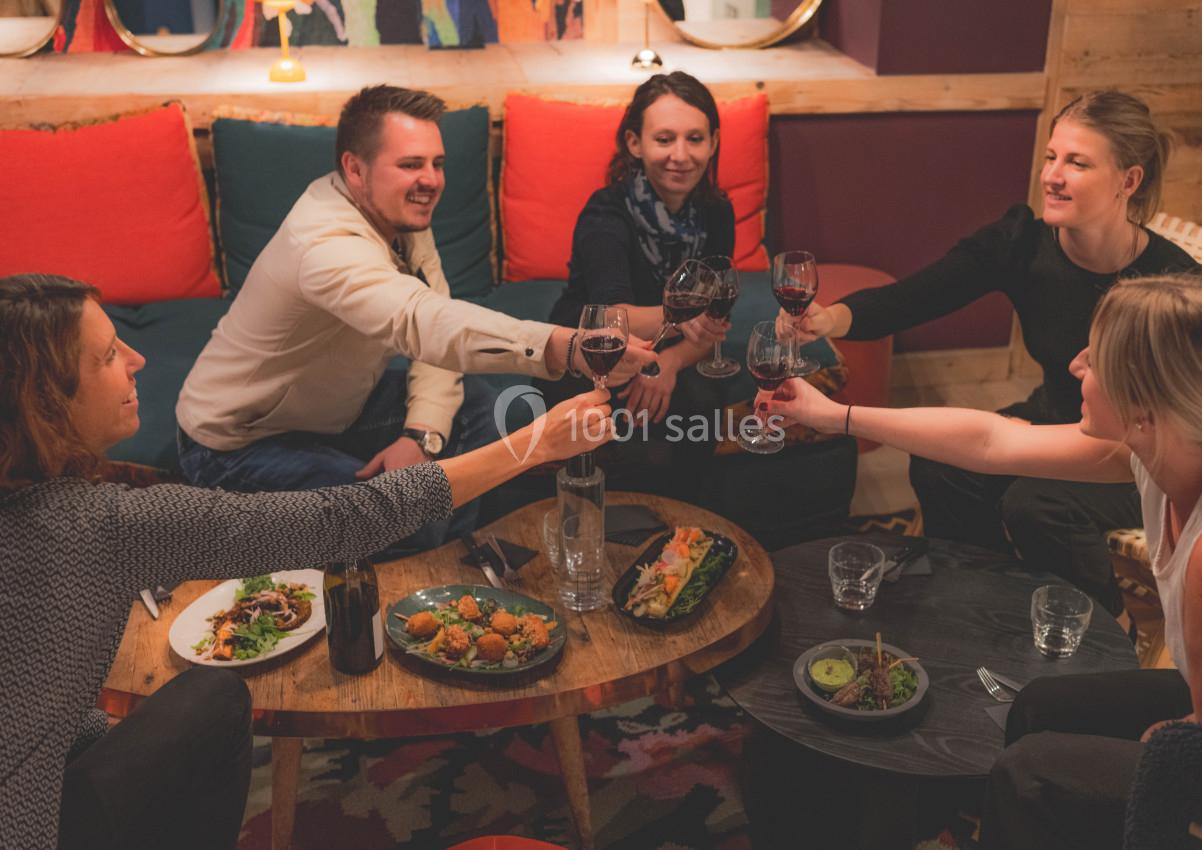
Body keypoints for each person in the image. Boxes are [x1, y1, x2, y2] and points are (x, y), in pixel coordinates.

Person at [0, 273, 614, 850]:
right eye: (107, 356)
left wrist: (96, 740)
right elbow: (338, 522)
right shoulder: (95, 525)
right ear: (43, 402)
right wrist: (537, 443)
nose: (137, 360)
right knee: (213, 698)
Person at [762, 273, 1202, 849]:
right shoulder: (1162, 446)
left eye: (1097, 357)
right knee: (1034, 706)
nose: (1077, 365)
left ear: (1145, 409)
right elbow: (992, 442)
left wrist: (1163, 737)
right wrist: (835, 414)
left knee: (1030, 775)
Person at [176, 85, 653, 555]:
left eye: (436, 163)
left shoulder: (396, 214)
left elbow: (436, 332)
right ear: (355, 168)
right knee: (405, 525)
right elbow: (421, 321)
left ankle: (441, 542)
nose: (431, 180)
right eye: (410, 165)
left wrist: (421, 436)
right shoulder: (323, 245)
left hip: (334, 407)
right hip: (242, 441)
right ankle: (432, 551)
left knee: (482, 408)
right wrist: (564, 347)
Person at [779, 90, 1202, 616]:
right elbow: (923, 292)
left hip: (1135, 457)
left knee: (1036, 501)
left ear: (1128, 180)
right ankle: (981, 605)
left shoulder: (1172, 287)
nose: (1052, 174)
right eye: (1052, 156)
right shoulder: (1024, 242)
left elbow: (1187, 432)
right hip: (1053, 418)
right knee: (942, 466)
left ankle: (1099, 627)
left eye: (1077, 162)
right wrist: (831, 318)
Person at [546, 71, 734, 491]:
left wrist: (668, 362)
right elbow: (610, 317)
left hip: (665, 351)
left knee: (703, 411)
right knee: (648, 455)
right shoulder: (606, 213)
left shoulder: (717, 212)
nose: (681, 155)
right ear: (635, 143)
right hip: (590, 354)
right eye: (664, 139)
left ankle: (690, 543)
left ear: (714, 143)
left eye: (695, 138)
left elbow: (713, 322)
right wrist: (676, 317)